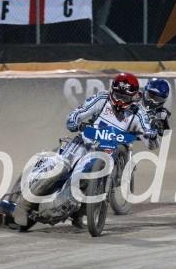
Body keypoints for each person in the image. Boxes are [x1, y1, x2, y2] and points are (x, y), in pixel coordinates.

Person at [57, 73, 158, 227]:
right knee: (60, 168)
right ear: (112, 90)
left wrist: (152, 134)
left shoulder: (139, 112)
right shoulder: (102, 98)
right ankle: (26, 199)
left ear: (134, 96)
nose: (119, 101)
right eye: (117, 95)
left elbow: (151, 141)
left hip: (111, 150)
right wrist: (73, 120)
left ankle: (79, 212)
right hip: (85, 144)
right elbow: (80, 111)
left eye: (124, 98)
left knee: (89, 182)